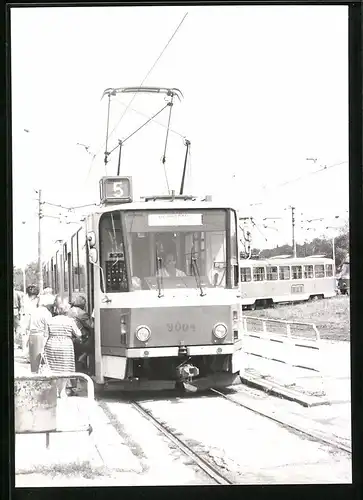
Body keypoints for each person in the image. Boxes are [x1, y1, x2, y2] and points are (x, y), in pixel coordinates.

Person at [43, 299, 82, 398]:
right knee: (65, 368)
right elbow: (78, 334)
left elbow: (45, 336)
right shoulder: (70, 321)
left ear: (56, 309)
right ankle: (62, 391)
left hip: (51, 345)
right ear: (66, 310)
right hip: (65, 346)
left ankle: (55, 390)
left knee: (54, 368)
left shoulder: (50, 320)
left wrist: (42, 349)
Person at [67, 295, 94, 377]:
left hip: (70, 339)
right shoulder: (82, 314)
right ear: (83, 305)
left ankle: (81, 360)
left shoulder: (68, 311)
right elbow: (91, 326)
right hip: (79, 341)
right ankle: (85, 363)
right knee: (94, 345)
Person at [28, 294, 54, 372]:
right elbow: (48, 329)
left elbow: (28, 325)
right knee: (41, 361)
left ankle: (34, 380)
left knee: (34, 363)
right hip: (41, 337)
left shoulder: (34, 311)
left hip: (32, 335)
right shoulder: (47, 313)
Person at [22, 285, 40, 360]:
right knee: (26, 336)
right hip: (27, 318)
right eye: (33, 295)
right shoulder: (25, 298)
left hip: (33, 318)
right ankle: (26, 354)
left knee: (31, 336)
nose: (34, 297)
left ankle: (30, 354)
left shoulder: (37, 299)